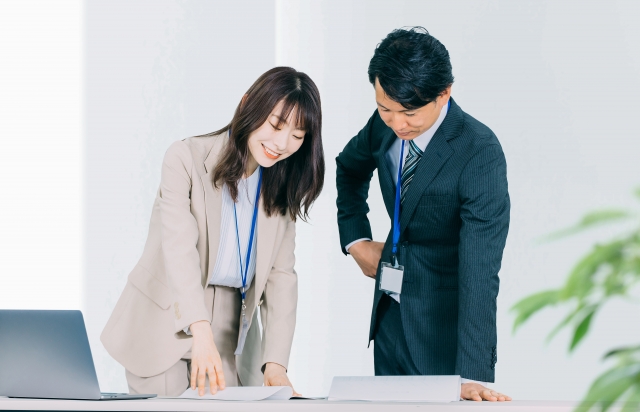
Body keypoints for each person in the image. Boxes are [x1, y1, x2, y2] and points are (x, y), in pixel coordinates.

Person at [101, 67, 324, 397]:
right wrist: (200, 331)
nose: (281, 143)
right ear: (247, 104)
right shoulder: (185, 158)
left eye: (298, 134)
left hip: (234, 326)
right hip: (168, 318)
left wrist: (276, 364)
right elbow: (179, 250)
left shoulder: (282, 185)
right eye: (276, 125)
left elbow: (282, 278)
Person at [336, 27, 511, 402]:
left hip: (440, 327)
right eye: (385, 109)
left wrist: (472, 373)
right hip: (388, 315)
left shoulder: (478, 151)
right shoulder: (383, 125)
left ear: (444, 93)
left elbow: (480, 267)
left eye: (410, 113)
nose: (398, 124)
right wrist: (356, 239)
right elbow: (349, 168)